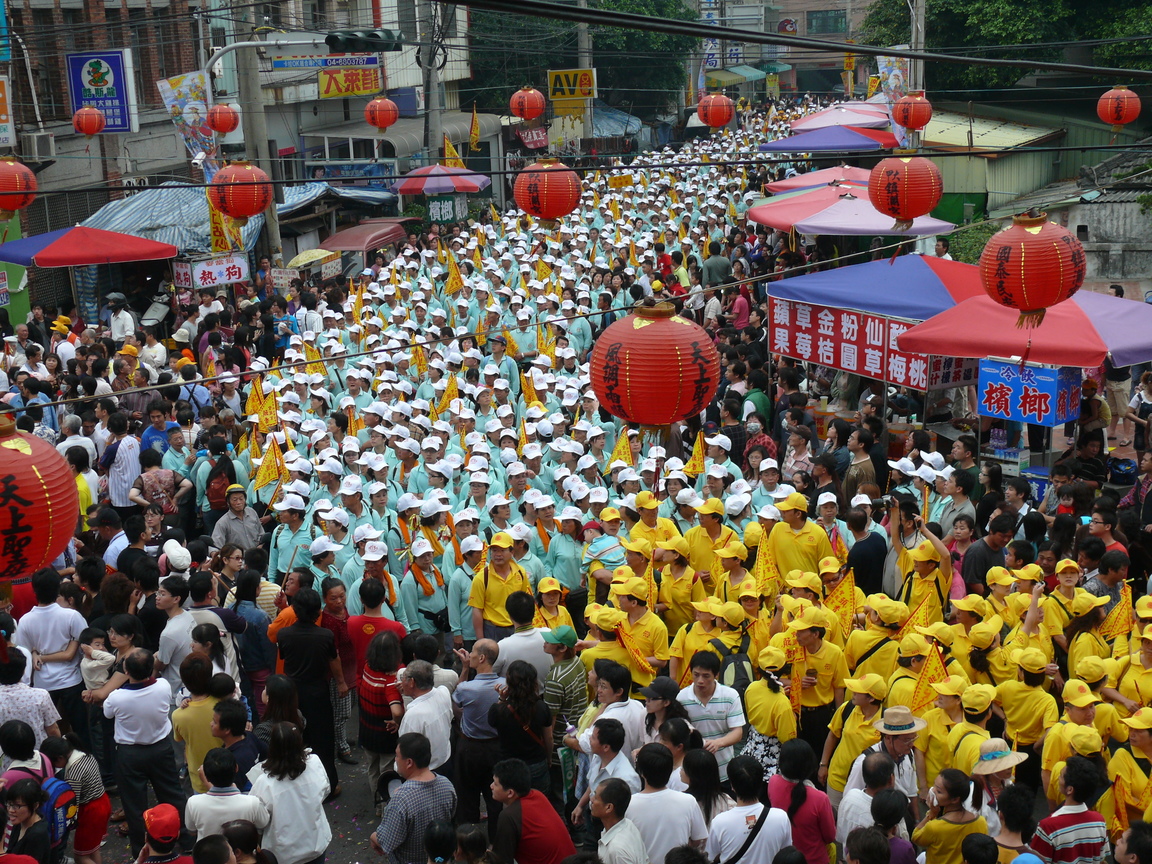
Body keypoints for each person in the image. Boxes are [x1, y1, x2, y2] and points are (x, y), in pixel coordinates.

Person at [102, 647, 191, 856]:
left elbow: (107, 713)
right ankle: (186, 839)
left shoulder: (117, 697)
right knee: (172, 794)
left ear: (126, 671)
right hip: (161, 748)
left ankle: (141, 850)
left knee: (134, 805)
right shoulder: (163, 685)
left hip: (130, 754)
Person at [246, 721, 332, 864]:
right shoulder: (314, 763)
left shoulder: (264, 782)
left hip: (283, 854)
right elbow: (325, 790)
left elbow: (258, 821)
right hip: (315, 844)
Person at [370, 733, 457, 864]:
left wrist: (372, 837)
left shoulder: (401, 799)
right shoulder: (447, 785)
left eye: (397, 756)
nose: (395, 760)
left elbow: (385, 841)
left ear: (409, 762)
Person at [451, 639, 504, 825]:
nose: (470, 655)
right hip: (496, 746)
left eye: (472, 652)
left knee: (466, 796)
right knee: (495, 797)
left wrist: (465, 669)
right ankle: (496, 842)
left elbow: (455, 700)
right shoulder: (505, 685)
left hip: (469, 749)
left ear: (481, 658)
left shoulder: (467, 688)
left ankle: (469, 839)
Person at [627, 743, 708, 864]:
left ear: (642, 772)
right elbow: (699, 839)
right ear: (670, 769)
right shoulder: (688, 801)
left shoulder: (629, 805)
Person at [705, 755, 792, 864]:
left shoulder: (720, 823)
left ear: (732, 786)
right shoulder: (780, 817)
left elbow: (710, 856)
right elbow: (786, 852)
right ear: (760, 783)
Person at [489, 757, 576, 864]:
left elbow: (501, 859)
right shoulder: (537, 795)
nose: (491, 786)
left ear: (510, 793)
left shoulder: (508, 816)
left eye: (495, 784)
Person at [676, 651, 745, 781]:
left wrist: (718, 743)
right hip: (694, 773)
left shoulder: (730, 696)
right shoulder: (682, 698)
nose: (700, 681)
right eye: (696, 675)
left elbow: (737, 731)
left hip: (723, 771)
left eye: (706, 676)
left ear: (716, 675)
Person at [488, 660, 553, 793]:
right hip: (536, 762)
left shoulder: (499, 710)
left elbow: (492, 722)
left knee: (511, 804)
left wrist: (501, 699)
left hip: (508, 765)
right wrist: (549, 757)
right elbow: (549, 738)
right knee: (538, 801)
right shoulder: (541, 707)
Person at [1030, 756, 1109, 864]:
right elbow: (1101, 859)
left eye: (1061, 776)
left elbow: (1035, 861)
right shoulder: (1099, 821)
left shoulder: (1048, 826)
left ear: (1070, 789)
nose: (1058, 778)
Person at [767, 740, 835, 864]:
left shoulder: (773, 782)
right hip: (814, 859)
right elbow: (830, 836)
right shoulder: (820, 798)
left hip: (784, 857)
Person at [185, 748, 270, 840]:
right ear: (236, 768)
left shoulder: (193, 803)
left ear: (205, 775)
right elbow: (263, 824)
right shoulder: (253, 803)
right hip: (241, 853)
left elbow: (192, 830)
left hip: (207, 853)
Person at [911, 769, 989, 864]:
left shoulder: (935, 827)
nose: (933, 791)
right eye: (934, 786)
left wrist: (931, 814)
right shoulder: (981, 822)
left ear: (955, 799)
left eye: (939, 791)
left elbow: (916, 837)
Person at [397, 659, 452, 773]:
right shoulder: (444, 692)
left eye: (404, 677)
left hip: (425, 771)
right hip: (446, 761)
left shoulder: (413, 715)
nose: (401, 681)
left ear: (412, 682)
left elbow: (406, 751)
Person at [592, 777, 648, 864]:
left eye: (595, 798)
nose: (591, 800)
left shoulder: (617, 850)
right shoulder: (628, 825)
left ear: (609, 807)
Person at [2, 778, 51, 864]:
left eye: (17, 806)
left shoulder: (37, 835)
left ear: (35, 805)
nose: (10, 810)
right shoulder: (21, 820)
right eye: (9, 804)